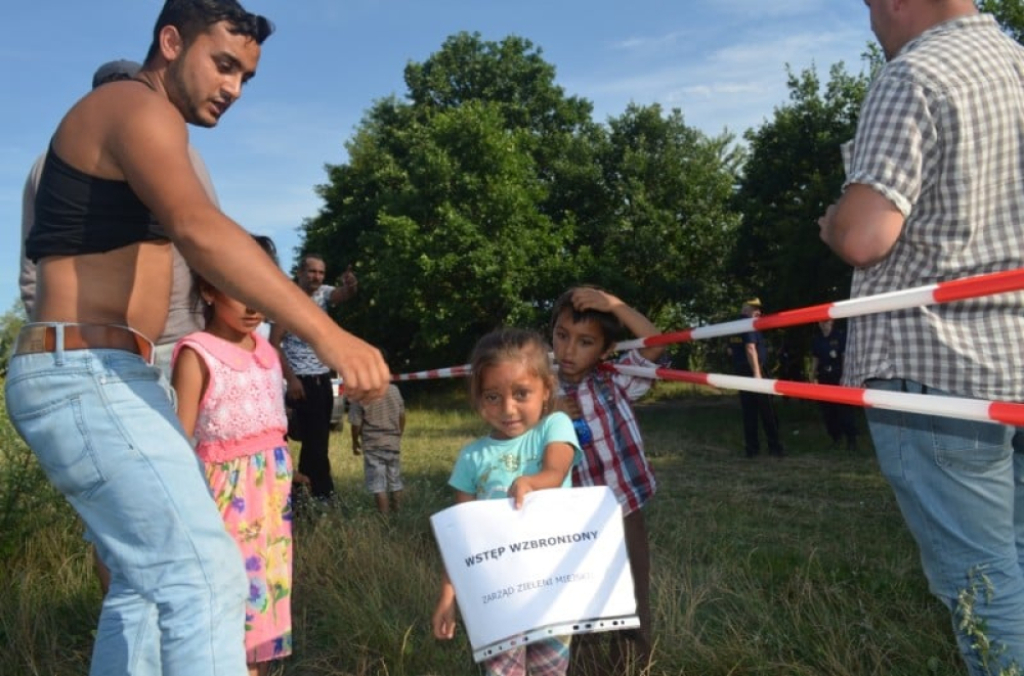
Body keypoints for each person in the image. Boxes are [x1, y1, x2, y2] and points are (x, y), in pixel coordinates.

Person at [4, 3, 389, 676]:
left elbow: (183, 257)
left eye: (245, 76)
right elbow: (200, 229)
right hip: (82, 369)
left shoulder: (162, 143)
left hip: (116, 370)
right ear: (171, 41)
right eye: (222, 64)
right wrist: (327, 333)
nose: (233, 88)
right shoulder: (132, 104)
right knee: (206, 573)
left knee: (146, 583)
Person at [817, 2, 1024, 673]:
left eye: (873, 8)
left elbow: (863, 235)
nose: (873, 22)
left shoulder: (916, 76)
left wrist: (832, 223)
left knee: (984, 580)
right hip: (1013, 361)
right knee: (1013, 562)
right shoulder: (1017, 64)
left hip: (937, 370)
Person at [19, 58, 219, 376]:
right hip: (123, 341)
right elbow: (211, 241)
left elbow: (208, 239)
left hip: (114, 341)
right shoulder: (175, 149)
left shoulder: (49, 161)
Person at [171, 234, 292, 676]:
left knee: (264, 604)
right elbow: (181, 440)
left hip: (272, 502)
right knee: (227, 603)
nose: (252, 304)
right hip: (225, 501)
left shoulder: (268, 351)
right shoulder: (196, 353)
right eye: (237, 288)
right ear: (208, 289)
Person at [432, 327, 580, 676]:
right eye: (493, 396)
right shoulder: (470, 458)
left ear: (546, 390)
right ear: (478, 397)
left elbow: (556, 471)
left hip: (552, 590)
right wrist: (447, 596)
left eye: (521, 393)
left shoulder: (555, 426)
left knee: (550, 670)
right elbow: (461, 538)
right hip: (494, 593)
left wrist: (531, 482)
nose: (508, 408)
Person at [550, 286, 665, 676]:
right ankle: (581, 667)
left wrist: (615, 304)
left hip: (623, 510)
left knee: (632, 597)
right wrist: (546, 414)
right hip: (571, 520)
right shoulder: (541, 391)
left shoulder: (615, 378)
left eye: (584, 342)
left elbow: (654, 342)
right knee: (577, 600)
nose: (568, 350)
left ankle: (633, 667)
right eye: (562, 336)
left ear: (604, 350)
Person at [269, 255, 359, 503]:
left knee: (318, 441)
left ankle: (314, 493)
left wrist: (351, 285)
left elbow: (343, 294)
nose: (317, 277)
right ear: (299, 272)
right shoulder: (286, 302)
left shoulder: (324, 294)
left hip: (322, 378)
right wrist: (292, 379)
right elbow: (274, 345)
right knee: (296, 440)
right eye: (312, 272)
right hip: (298, 381)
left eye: (321, 272)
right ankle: (302, 492)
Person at [726, 297, 784, 459]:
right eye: (755, 309)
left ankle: (752, 450)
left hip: (741, 373)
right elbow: (750, 348)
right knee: (768, 411)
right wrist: (757, 373)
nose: (759, 312)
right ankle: (775, 448)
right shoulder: (748, 324)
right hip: (755, 372)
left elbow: (730, 351)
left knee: (749, 412)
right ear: (746, 309)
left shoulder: (733, 326)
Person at [349, 359, 406, 514]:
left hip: (373, 445)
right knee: (395, 480)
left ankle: (384, 518)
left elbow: (356, 424)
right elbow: (402, 416)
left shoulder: (360, 394)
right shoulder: (394, 390)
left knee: (378, 484)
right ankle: (397, 513)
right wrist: (398, 433)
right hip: (393, 442)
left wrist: (355, 442)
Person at [809, 319, 858, 451]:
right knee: (827, 410)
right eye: (822, 322)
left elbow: (844, 357)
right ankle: (836, 438)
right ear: (819, 323)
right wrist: (812, 376)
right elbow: (815, 359)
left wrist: (844, 375)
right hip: (824, 377)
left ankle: (851, 440)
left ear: (832, 322)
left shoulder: (839, 336)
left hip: (838, 377)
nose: (824, 324)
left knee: (844, 409)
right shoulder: (817, 339)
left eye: (827, 322)